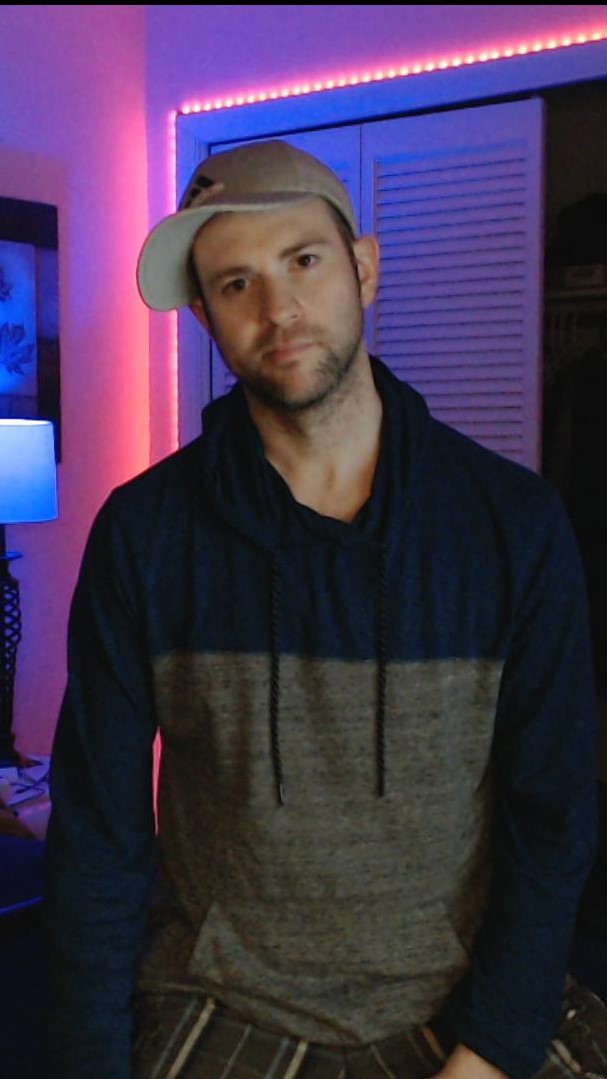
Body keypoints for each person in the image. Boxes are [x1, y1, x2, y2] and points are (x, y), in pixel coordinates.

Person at [44, 140, 602, 1079]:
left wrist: (491, 1050)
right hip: (221, 997)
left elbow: (553, 817)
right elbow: (97, 833)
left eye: (302, 259)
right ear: (204, 315)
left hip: (458, 999)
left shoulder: (513, 524)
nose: (276, 308)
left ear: (363, 268)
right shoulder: (144, 534)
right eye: (235, 283)